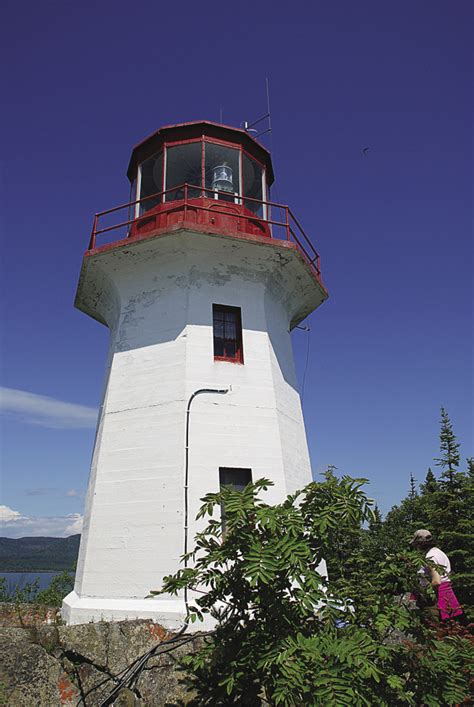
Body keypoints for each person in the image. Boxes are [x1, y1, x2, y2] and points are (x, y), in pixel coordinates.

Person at [410, 529, 465, 623]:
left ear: (419, 544)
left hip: (435, 599)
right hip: (446, 594)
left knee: (435, 630)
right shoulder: (439, 553)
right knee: (448, 630)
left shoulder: (430, 557)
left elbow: (436, 581)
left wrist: (423, 593)